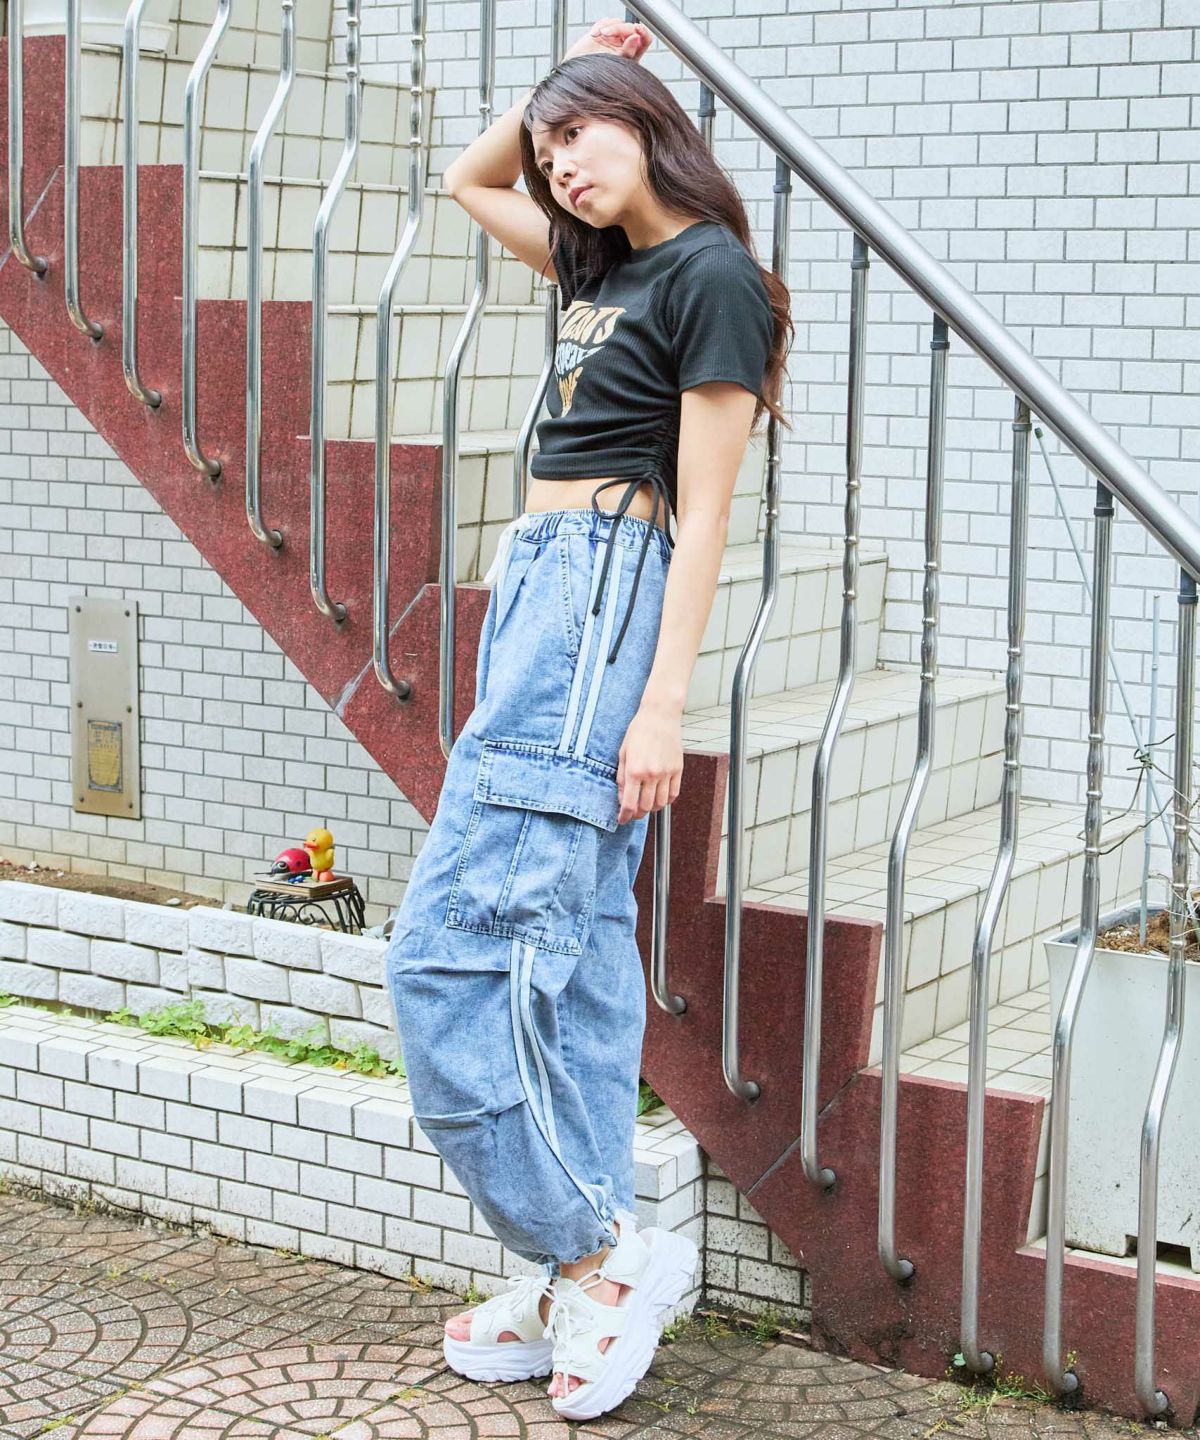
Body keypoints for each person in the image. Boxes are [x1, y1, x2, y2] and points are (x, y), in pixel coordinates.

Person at [383, 15, 793, 1421]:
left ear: (650, 122)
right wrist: (564, 73)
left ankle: (596, 1253)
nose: (556, 165)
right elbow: (466, 178)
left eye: (583, 133)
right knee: (578, 953)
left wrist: (662, 705)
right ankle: (584, 1262)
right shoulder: (599, 265)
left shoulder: (712, 275)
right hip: (543, 583)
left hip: (608, 586)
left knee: (449, 960)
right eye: (549, 146)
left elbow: (706, 517)